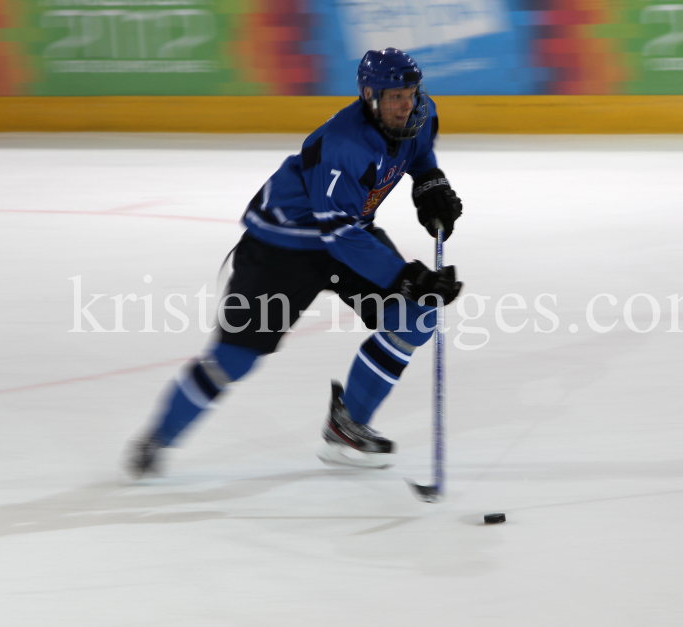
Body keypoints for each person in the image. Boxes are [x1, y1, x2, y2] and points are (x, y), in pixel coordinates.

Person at [127, 48, 464, 477]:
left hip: (346, 231)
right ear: (368, 96)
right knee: (235, 358)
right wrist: (405, 275)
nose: (406, 104)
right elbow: (338, 235)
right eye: (394, 95)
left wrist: (429, 182)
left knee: (414, 315)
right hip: (281, 247)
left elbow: (416, 155)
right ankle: (159, 435)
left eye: (411, 93)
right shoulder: (343, 146)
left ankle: (347, 427)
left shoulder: (422, 113)